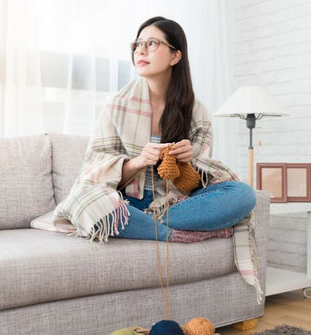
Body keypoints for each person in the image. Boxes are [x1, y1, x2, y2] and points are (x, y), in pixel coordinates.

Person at [52, 16, 256, 243]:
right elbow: (94, 171)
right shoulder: (116, 105)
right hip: (126, 201)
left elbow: (196, 184)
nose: (140, 51)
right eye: (138, 44)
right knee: (85, 201)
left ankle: (146, 225)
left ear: (175, 56)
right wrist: (138, 162)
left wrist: (188, 161)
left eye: (151, 44)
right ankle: (173, 233)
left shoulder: (198, 114)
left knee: (243, 195)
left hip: (174, 202)